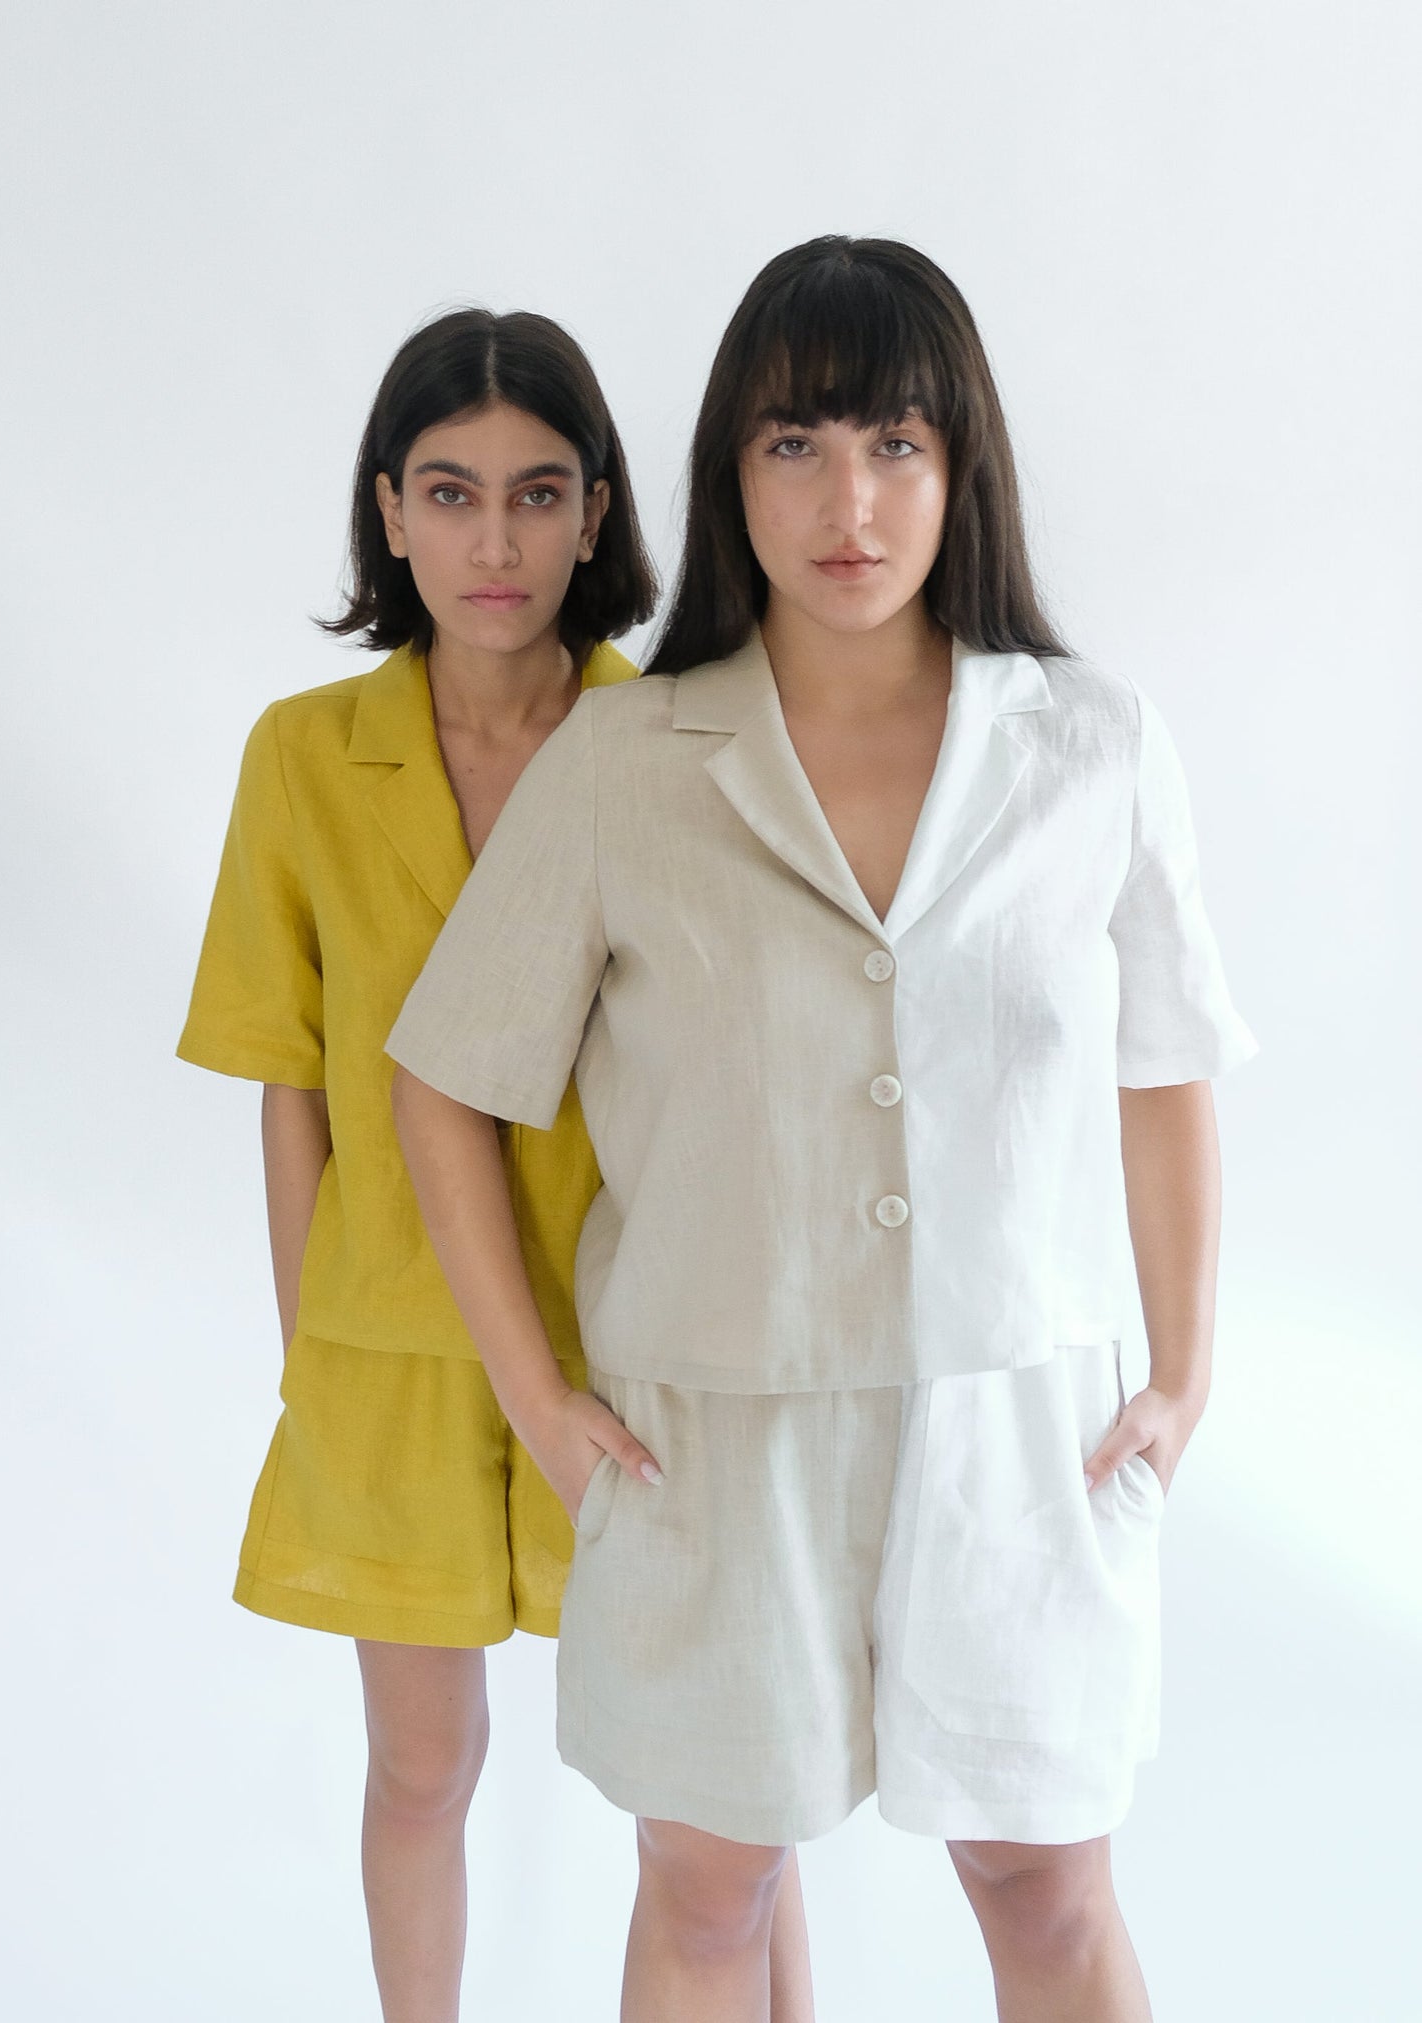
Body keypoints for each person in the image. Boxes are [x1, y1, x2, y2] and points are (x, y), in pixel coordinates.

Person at [386, 238, 1257, 2023]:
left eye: (894, 444)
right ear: (727, 475)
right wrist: (542, 1408)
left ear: (963, 471)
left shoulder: (1089, 747)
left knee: (1043, 1881)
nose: (845, 500)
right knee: (707, 1893)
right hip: (710, 1431)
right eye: (793, 445)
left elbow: (1167, 1070)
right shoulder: (628, 772)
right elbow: (445, 1084)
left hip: (1018, 1422)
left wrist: (1180, 1378)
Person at [176, 305, 816, 2023]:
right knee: (421, 1768)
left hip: (645, 1339)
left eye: (538, 495)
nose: (495, 540)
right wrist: (312, 1345)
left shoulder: (682, 741)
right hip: (386, 1360)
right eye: (450, 494)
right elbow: (291, 1084)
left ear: (599, 513)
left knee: (721, 1807)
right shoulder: (303, 760)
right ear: (387, 511)